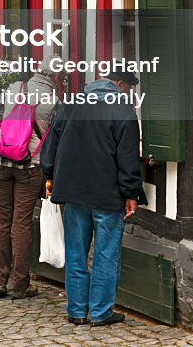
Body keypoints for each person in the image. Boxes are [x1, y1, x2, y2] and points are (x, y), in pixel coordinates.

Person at [40, 63, 144, 327]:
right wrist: (131, 192)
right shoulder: (123, 111)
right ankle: (100, 312)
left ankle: (76, 311)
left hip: (73, 192)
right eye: (128, 88)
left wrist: (50, 176)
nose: (129, 94)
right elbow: (128, 159)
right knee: (106, 254)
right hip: (107, 195)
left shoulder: (70, 104)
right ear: (120, 84)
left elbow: (51, 143)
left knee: (76, 252)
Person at [0, 66, 62, 300]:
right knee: (21, 224)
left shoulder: (15, 88)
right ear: (55, 77)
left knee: (0, 220)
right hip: (30, 166)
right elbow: (54, 140)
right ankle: (20, 284)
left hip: (0, 161)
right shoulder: (53, 100)